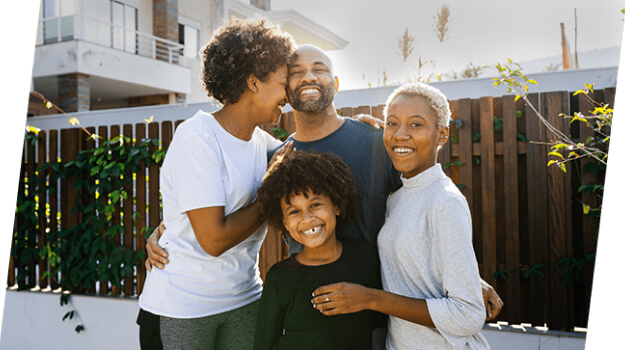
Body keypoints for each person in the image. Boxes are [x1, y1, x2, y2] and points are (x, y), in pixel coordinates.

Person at [146, 44, 503, 348]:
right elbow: (213, 199)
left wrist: (469, 278)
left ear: (335, 83)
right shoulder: (276, 158)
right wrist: (168, 231)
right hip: (313, 306)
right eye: (296, 71)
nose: (308, 76)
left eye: (319, 69)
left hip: (385, 311)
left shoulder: (377, 143)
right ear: (285, 90)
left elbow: (420, 208)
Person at [136, 17, 296, 350]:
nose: (289, 97)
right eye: (284, 84)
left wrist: (366, 126)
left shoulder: (264, 145)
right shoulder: (198, 136)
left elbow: (310, 144)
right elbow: (213, 239)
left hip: (243, 300)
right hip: (183, 309)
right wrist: (270, 191)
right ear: (253, 81)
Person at [311, 82, 491, 349]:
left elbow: (467, 315)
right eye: (393, 124)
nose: (401, 134)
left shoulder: (445, 202)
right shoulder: (398, 197)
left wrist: (370, 299)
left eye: (416, 125)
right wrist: (359, 127)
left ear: (442, 135)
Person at [253, 150, 384, 349]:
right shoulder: (280, 278)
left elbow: (380, 324)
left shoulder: (365, 257)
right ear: (285, 223)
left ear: (337, 206)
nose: (307, 219)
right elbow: (264, 344)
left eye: (315, 205)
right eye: (294, 211)